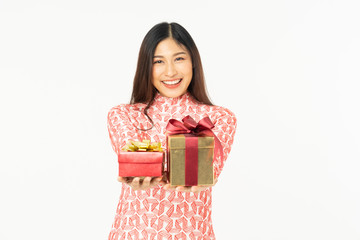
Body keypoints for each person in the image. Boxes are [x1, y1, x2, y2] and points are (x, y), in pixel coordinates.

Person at [107, 22, 237, 240]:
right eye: (158, 61)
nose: (170, 71)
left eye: (179, 58)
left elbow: (211, 167)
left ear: (193, 62)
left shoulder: (219, 119)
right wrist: (139, 171)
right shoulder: (124, 115)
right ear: (145, 68)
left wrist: (201, 174)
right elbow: (130, 154)